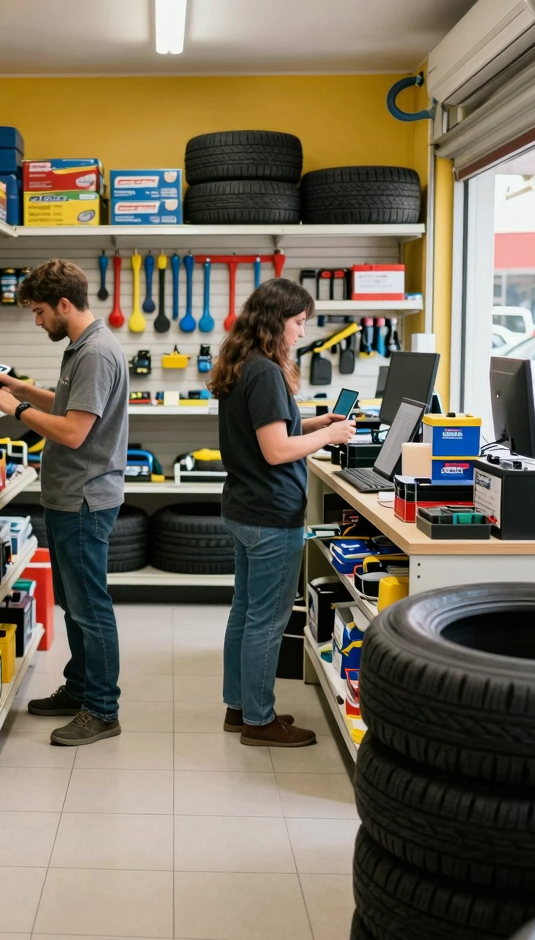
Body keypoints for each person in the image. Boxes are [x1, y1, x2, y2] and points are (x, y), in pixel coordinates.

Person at [0, 259, 129, 746]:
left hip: (84, 500)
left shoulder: (95, 354)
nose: (37, 320)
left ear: (65, 304)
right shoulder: (82, 347)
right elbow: (69, 409)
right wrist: (23, 389)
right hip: (72, 497)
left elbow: (73, 430)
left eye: (41, 311)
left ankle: (102, 710)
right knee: (74, 604)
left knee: (90, 607)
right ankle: (81, 688)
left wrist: (16, 409)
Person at [207, 278, 356, 747]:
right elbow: (276, 451)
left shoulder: (242, 364)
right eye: (298, 322)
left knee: (246, 612)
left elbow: (268, 431)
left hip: (245, 508)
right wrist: (329, 438)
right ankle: (259, 720)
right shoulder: (267, 373)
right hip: (270, 515)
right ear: (276, 322)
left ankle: (240, 708)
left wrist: (313, 423)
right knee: (267, 621)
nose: (302, 332)